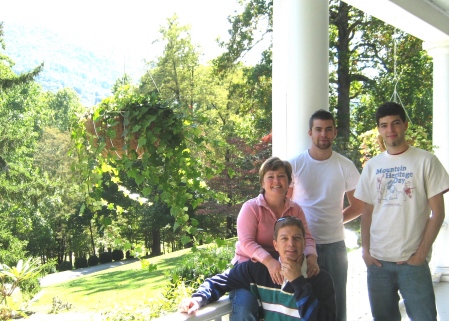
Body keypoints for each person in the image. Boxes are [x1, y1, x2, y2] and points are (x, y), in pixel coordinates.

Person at [354, 102, 449, 321]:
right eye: (384, 125)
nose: (391, 130)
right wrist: (366, 251)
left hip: (412, 262)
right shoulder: (372, 166)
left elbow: (438, 213)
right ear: (379, 130)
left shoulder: (426, 161)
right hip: (377, 262)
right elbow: (367, 212)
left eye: (396, 123)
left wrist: (420, 254)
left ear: (405, 125)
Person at [179, 217, 336, 321]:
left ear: (304, 242)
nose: (291, 244)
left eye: (296, 238)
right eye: (284, 239)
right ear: (275, 244)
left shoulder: (320, 279)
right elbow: (219, 281)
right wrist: (197, 299)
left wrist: (298, 282)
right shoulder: (258, 271)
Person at [287, 109, 363, 321]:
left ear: (335, 132)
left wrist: (336, 220)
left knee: (336, 303)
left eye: (328, 129)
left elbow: (359, 205)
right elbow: (287, 206)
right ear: (310, 133)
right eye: (318, 129)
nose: (323, 134)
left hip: (334, 245)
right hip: (300, 246)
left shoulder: (345, 165)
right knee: (300, 302)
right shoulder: (295, 165)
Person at [231, 156, 319, 320]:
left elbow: (307, 237)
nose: (276, 181)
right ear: (262, 183)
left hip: (282, 271)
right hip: (248, 272)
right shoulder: (251, 208)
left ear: (288, 181)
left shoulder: (295, 209)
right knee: (245, 308)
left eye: (281, 176)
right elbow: (246, 242)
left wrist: (312, 257)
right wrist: (269, 261)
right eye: (270, 177)